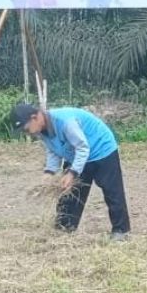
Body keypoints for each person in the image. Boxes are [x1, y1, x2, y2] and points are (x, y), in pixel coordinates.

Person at [12, 102, 131, 241]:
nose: (27, 133)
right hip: (76, 153)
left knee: (112, 191)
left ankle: (121, 230)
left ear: (35, 117)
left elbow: (82, 148)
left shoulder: (65, 122)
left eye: (26, 129)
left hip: (101, 148)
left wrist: (72, 173)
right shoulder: (41, 131)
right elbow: (53, 150)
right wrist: (49, 172)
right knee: (69, 192)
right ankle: (65, 227)